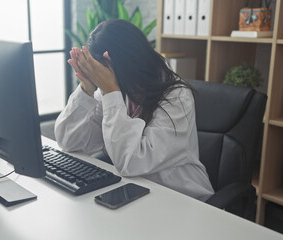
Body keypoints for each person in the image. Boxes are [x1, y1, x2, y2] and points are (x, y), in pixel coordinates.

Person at [54, 19, 214, 201]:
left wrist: (110, 91)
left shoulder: (177, 96)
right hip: (139, 193)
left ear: (123, 64)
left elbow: (130, 161)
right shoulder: (116, 90)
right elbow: (68, 141)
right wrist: (86, 87)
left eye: (102, 71)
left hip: (182, 198)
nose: (101, 78)